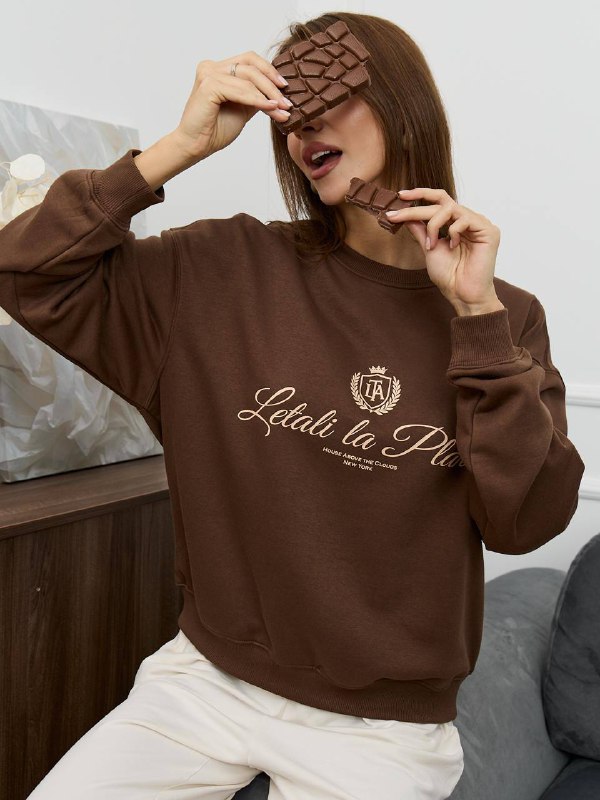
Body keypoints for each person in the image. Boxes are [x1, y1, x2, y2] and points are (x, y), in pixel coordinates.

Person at [0, 11, 585, 800]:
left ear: (403, 104)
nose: (304, 124)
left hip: (382, 732)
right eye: (291, 105)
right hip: (203, 686)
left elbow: (528, 522)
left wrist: (476, 318)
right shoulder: (218, 269)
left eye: (334, 92)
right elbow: (26, 272)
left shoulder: (502, 316)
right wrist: (179, 148)